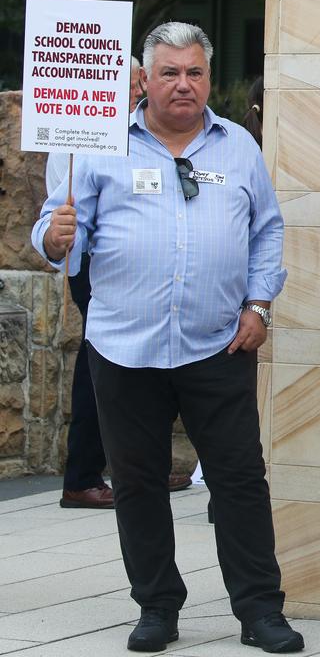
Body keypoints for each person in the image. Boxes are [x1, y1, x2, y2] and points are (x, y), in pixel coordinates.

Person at [32, 22, 303, 653]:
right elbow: (53, 235)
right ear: (144, 80)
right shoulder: (93, 146)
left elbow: (267, 228)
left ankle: (260, 610)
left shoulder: (237, 146)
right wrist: (55, 238)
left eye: (195, 73)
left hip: (218, 343)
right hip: (125, 345)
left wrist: (260, 305)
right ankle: (157, 607)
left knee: (240, 479)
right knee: (137, 481)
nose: (184, 85)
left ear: (209, 78)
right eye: (170, 73)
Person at [48, 57, 191, 509]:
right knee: (102, 368)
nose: (136, 93)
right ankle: (84, 475)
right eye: (130, 85)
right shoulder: (81, 138)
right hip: (95, 266)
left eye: (138, 84)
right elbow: (63, 213)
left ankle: (141, 462)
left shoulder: (135, 132)